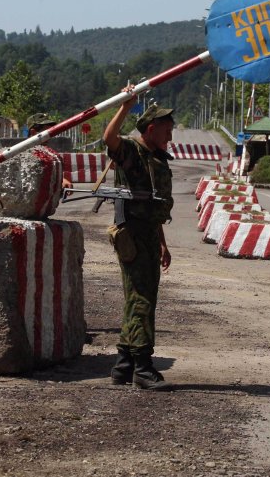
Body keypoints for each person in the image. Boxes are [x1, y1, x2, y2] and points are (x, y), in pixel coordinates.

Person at [102, 87, 174, 391]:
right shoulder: (132, 152)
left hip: (147, 234)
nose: (170, 135)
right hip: (132, 233)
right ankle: (143, 367)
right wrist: (125, 107)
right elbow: (109, 139)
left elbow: (154, 205)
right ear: (152, 128)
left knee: (137, 298)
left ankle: (124, 364)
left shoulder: (155, 158)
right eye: (167, 129)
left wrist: (162, 242)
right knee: (142, 298)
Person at [27, 113, 73, 190]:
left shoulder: (46, 153)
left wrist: (62, 181)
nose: (50, 135)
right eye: (46, 132)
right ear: (33, 132)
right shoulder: (24, 154)